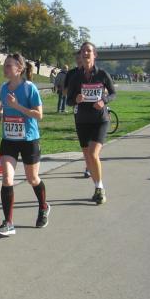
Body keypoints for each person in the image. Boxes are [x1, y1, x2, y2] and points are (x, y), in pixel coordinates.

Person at [0, 54, 49, 236]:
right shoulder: (3, 88)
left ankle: (43, 207)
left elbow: (39, 115)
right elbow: (2, 108)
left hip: (29, 140)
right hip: (9, 140)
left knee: (32, 178)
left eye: (9, 66)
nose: (5, 68)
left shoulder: (29, 88)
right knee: (7, 179)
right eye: (4, 65)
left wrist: (17, 106)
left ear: (19, 69)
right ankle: (8, 222)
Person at [66, 42, 116, 204]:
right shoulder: (75, 77)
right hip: (82, 121)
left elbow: (113, 93)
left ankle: (100, 188)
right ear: (80, 55)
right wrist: (76, 99)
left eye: (89, 51)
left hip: (100, 120)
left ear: (95, 55)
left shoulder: (102, 74)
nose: (85, 53)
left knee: (93, 154)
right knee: (88, 158)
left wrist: (104, 100)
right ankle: (96, 187)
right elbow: (68, 100)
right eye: (83, 51)